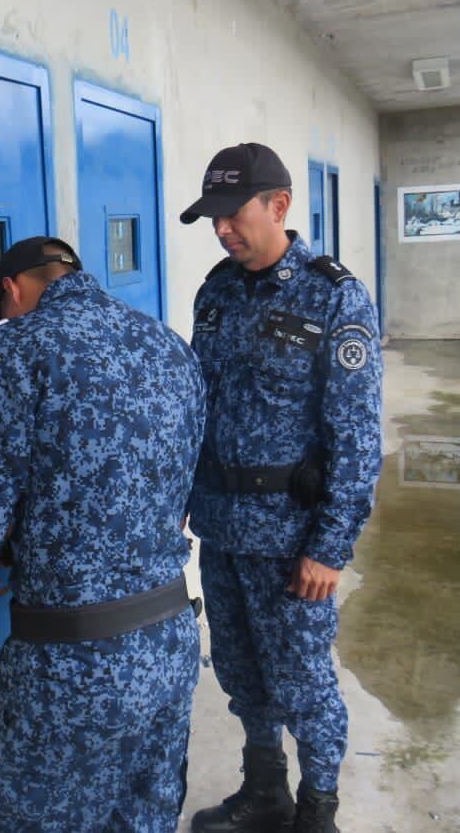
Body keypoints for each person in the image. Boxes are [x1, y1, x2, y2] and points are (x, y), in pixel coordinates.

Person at [0, 236, 206, 832]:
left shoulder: (11, 349)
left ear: (10, 291)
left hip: (70, 661)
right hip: (170, 640)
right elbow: (185, 484)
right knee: (142, 818)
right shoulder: (169, 345)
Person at [179, 144, 383, 833]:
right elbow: (198, 407)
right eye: (213, 219)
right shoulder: (216, 291)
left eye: (232, 215)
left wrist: (330, 547)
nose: (222, 230)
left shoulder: (334, 297)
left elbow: (356, 439)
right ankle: (265, 790)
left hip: (292, 540)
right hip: (222, 527)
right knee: (241, 673)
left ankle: (317, 813)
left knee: (304, 684)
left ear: (280, 205)